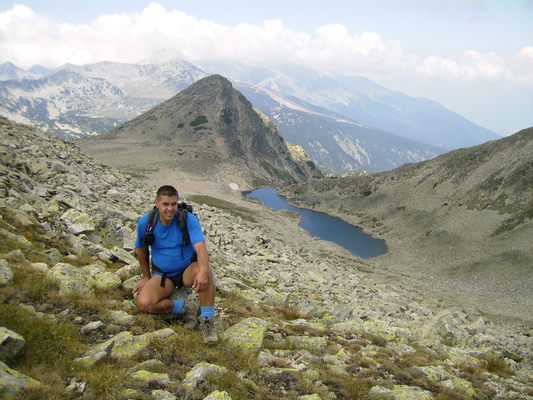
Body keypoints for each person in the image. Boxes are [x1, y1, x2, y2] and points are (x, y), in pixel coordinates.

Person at [133, 185, 217, 343]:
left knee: (204, 271)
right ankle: (185, 307)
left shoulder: (187, 218)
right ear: (156, 203)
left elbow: (201, 247)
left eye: (174, 204)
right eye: (165, 204)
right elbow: (141, 250)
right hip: (163, 275)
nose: (170, 209)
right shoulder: (146, 222)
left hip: (187, 271)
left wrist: (203, 271)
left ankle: (207, 321)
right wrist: (146, 276)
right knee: (144, 304)